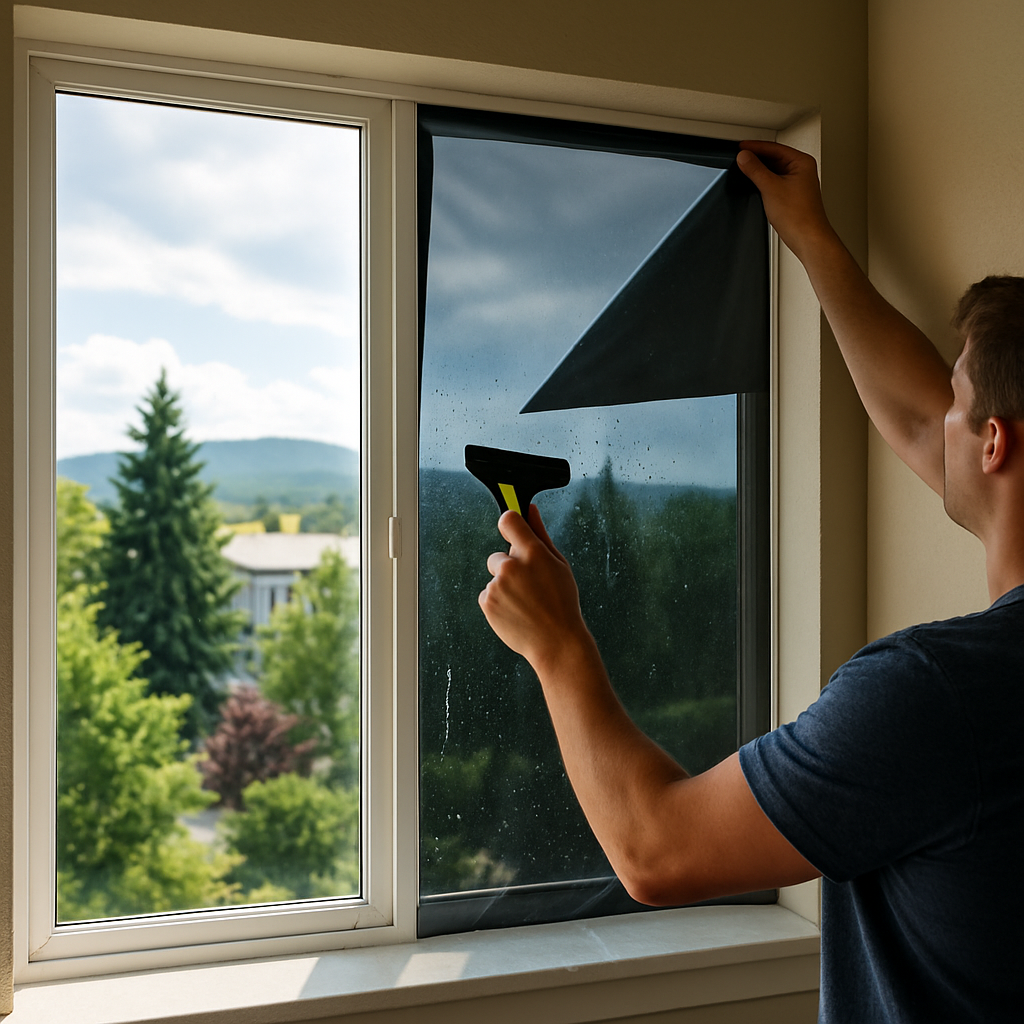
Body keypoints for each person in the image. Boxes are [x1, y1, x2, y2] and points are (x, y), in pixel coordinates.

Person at [477, 141, 1024, 1023]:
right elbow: (927, 421)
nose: (941, 412)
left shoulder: (940, 698)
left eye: (960, 396)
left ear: (995, 442)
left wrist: (559, 646)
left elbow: (656, 850)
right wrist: (810, 238)